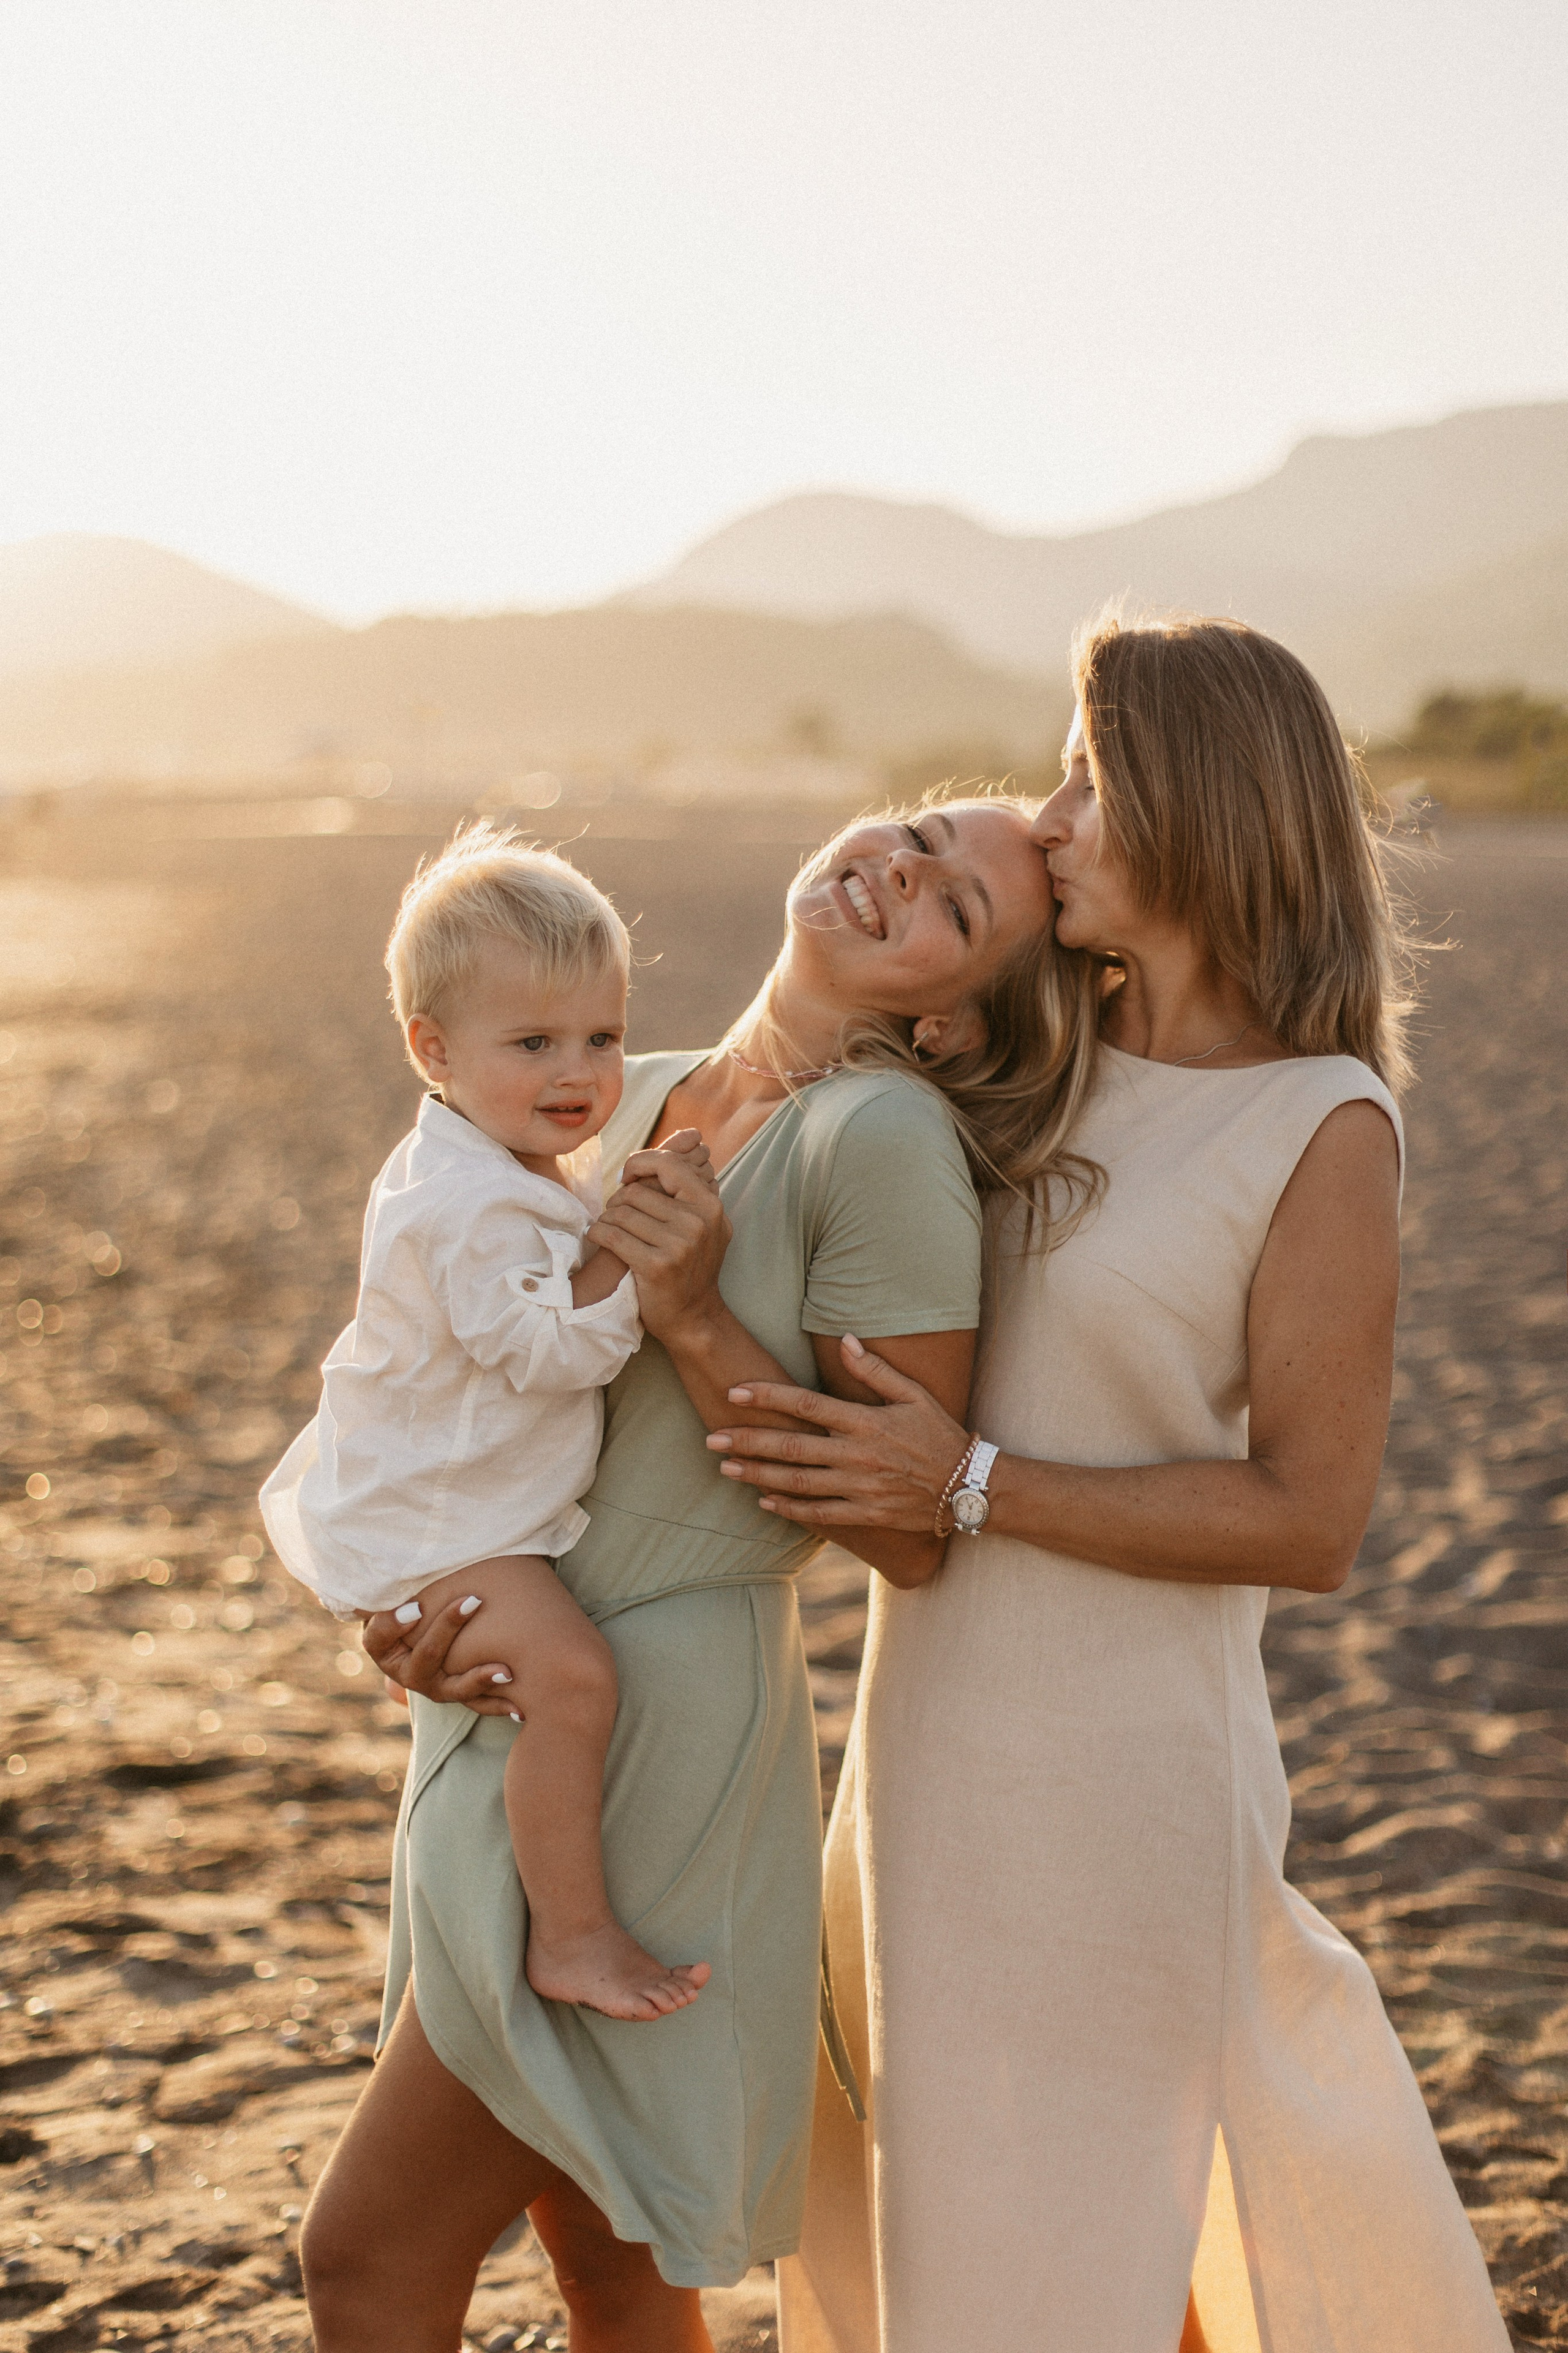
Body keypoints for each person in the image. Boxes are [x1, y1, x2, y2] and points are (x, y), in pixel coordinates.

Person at [711, 618, 1510, 2353]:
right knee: (969, 2243)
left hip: (1122, 1786)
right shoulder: (1032, 1052)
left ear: (1199, 809)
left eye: (1086, 773)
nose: (1048, 812)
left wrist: (975, 1479)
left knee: (1058, 2250)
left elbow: (1312, 1516)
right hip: (927, 1756)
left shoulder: (1321, 1121)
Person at [300, 793, 1100, 2353]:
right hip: (521, 1667)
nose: (896, 869)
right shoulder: (629, 1084)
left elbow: (903, 1528)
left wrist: (688, 1312)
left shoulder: (883, 1140)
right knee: (602, 2256)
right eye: (915, 827)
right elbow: (489, 1395)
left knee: (365, 2253)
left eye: (951, 903)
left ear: (951, 1019)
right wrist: (408, 1591)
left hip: (653, 1719)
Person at [262, 828, 722, 2020]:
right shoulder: (470, 1205)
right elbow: (545, 1348)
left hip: (437, 1495)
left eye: (602, 1038)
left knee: (560, 1679)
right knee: (571, 1681)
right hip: (439, 1526)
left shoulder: (490, 1155)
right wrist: (632, 1252)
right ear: (432, 1046)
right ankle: (570, 1935)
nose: (577, 1072)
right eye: (532, 1043)